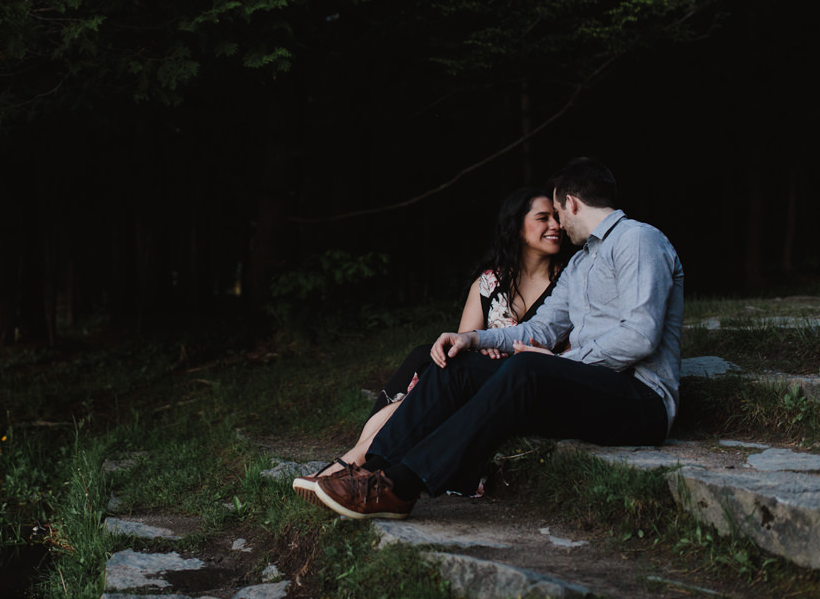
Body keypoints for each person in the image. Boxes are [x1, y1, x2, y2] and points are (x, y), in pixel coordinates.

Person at [306, 157, 684, 520]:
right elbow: (542, 328)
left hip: (641, 403)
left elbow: (640, 337)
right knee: (457, 367)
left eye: (558, 211)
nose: (560, 224)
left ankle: (400, 488)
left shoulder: (637, 240)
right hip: (587, 389)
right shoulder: (582, 263)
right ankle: (371, 473)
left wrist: (563, 365)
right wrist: (471, 338)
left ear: (570, 202)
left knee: (530, 367)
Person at [293, 186, 567, 503]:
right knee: (426, 355)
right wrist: (480, 347)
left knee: (437, 372)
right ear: (516, 225)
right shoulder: (490, 282)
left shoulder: (566, 283)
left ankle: (348, 465)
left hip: (518, 383)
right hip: (473, 374)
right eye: (543, 218)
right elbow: (462, 342)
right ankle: (357, 463)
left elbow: (564, 349)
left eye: (557, 218)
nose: (555, 226)